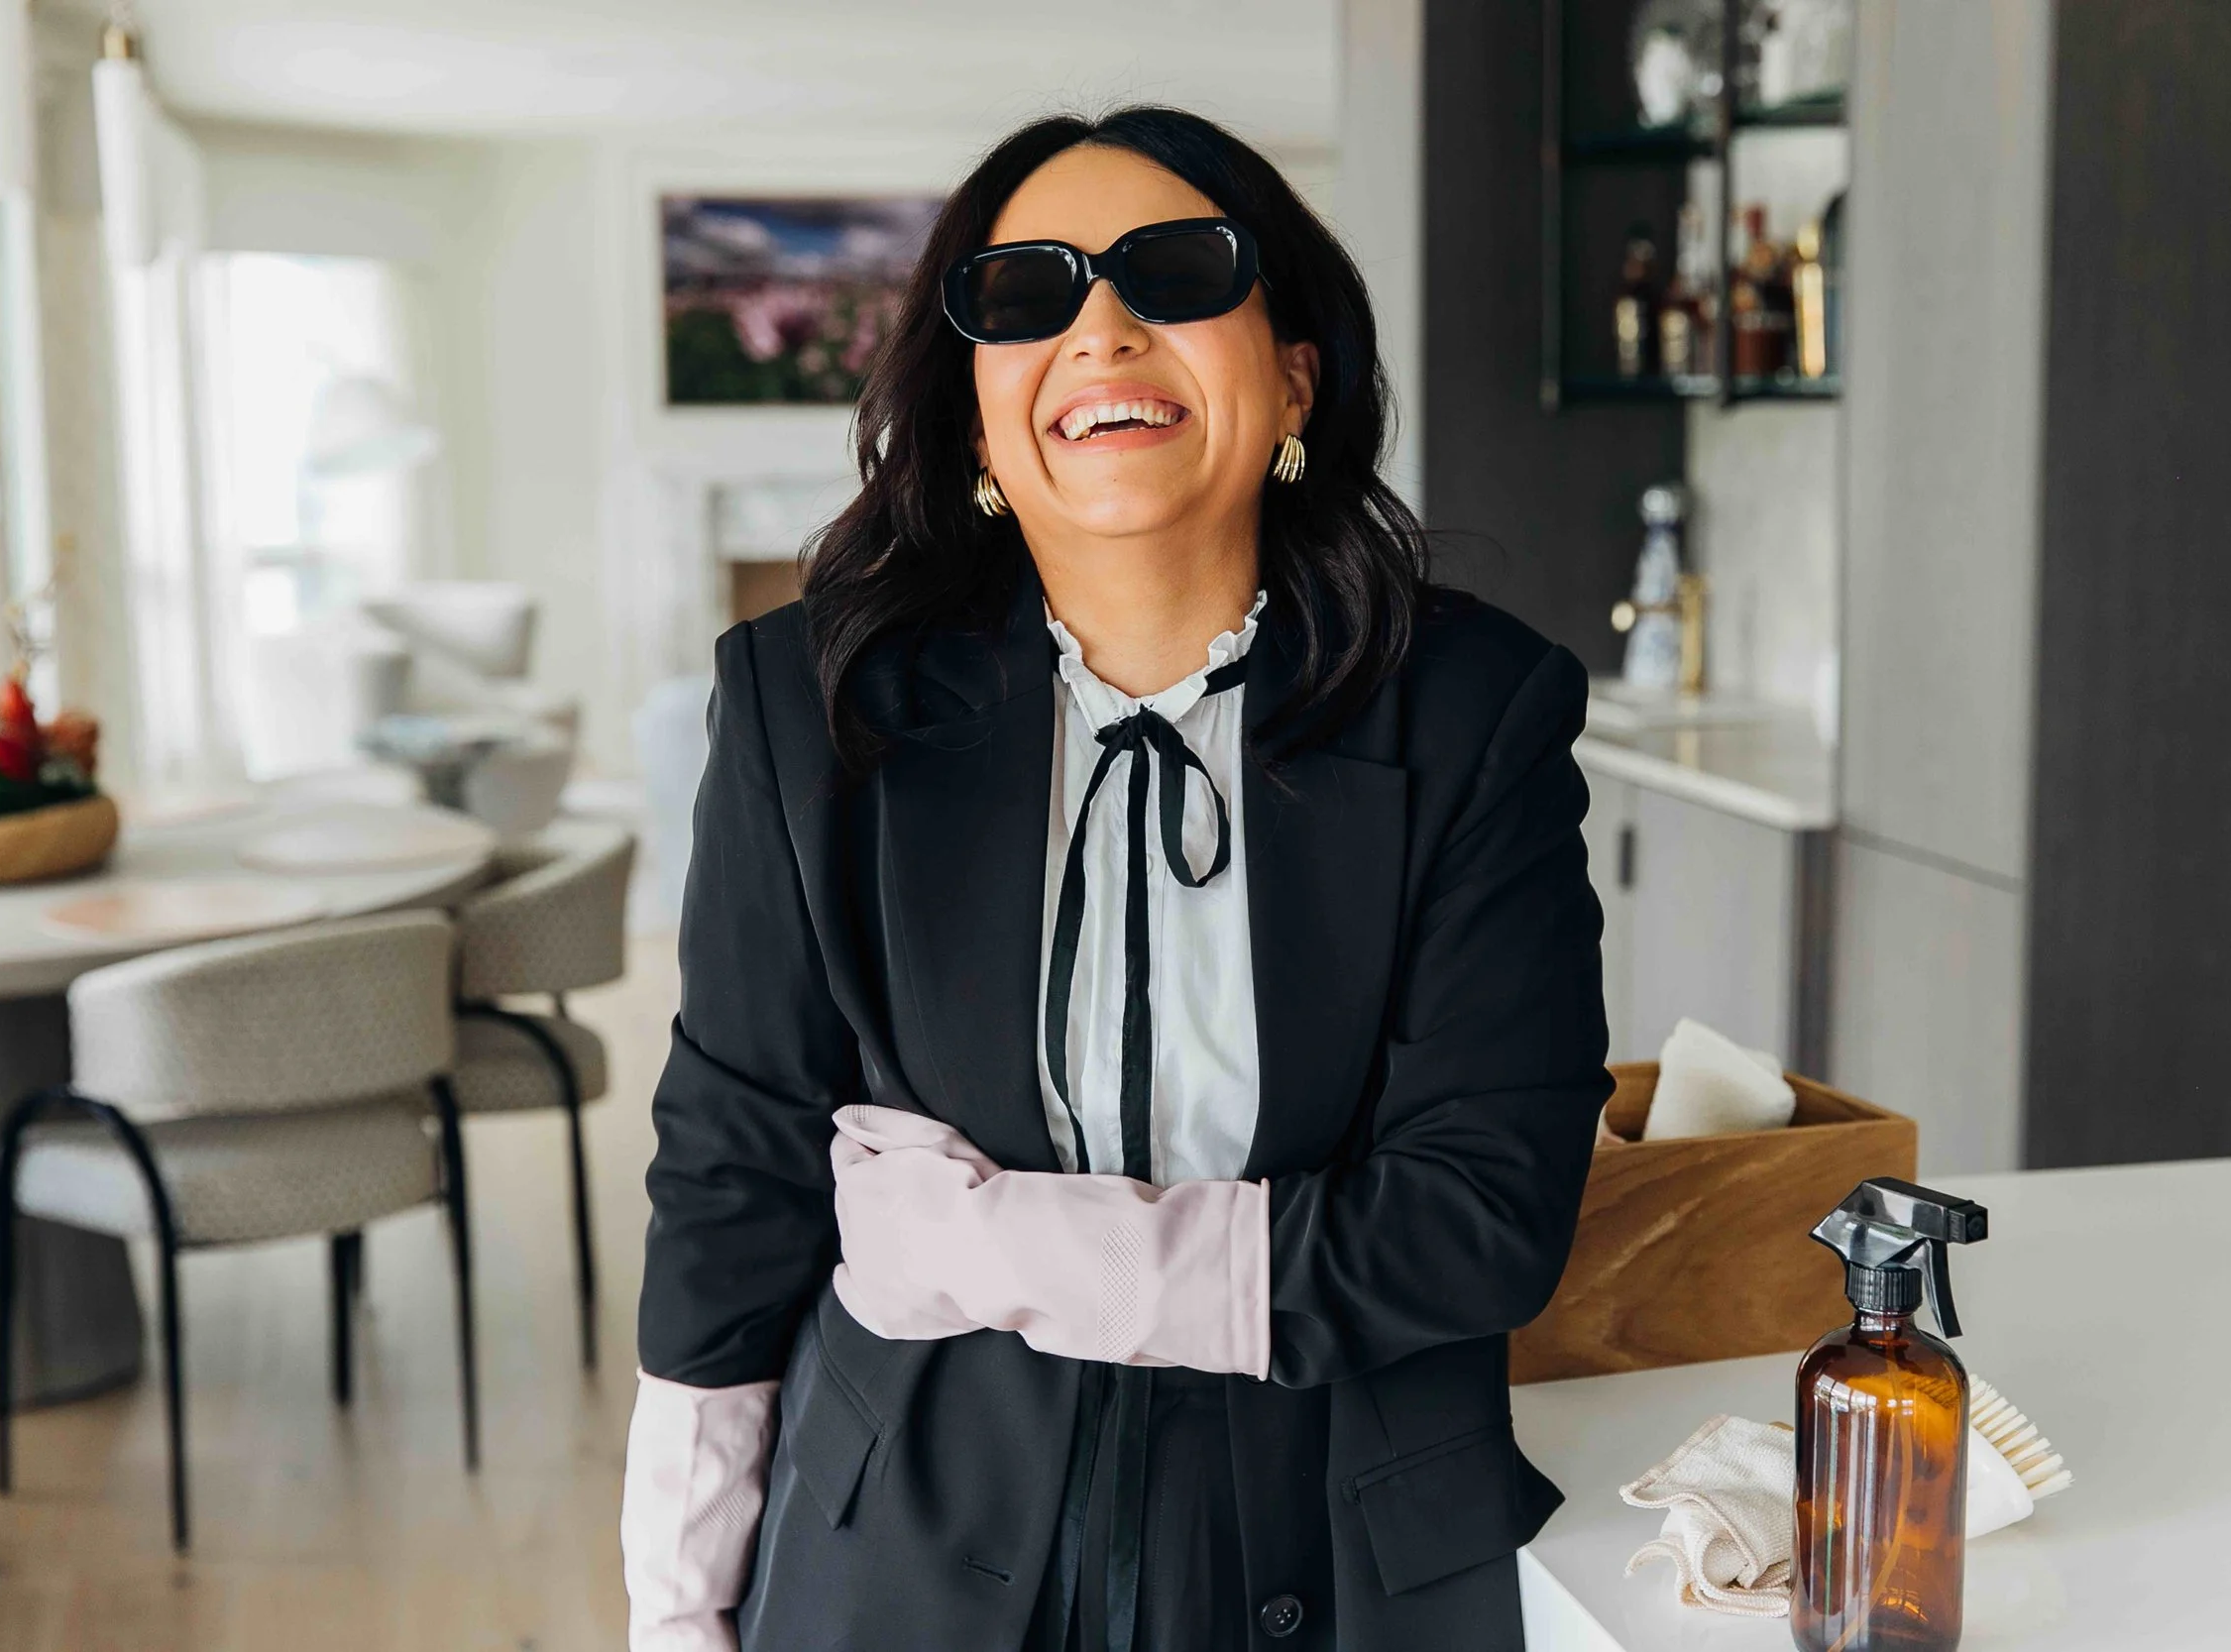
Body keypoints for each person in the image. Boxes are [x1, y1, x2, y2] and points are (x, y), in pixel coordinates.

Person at [621, 105, 1611, 1652]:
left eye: (1175, 272)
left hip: (1345, 1558)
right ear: (974, 414)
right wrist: (677, 1616)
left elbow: (1483, 1216)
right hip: (903, 1548)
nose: (1101, 327)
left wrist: (991, 1246)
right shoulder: (804, 712)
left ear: (1293, 371)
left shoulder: (1478, 710)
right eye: (1028, 295)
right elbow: (733, 1188)